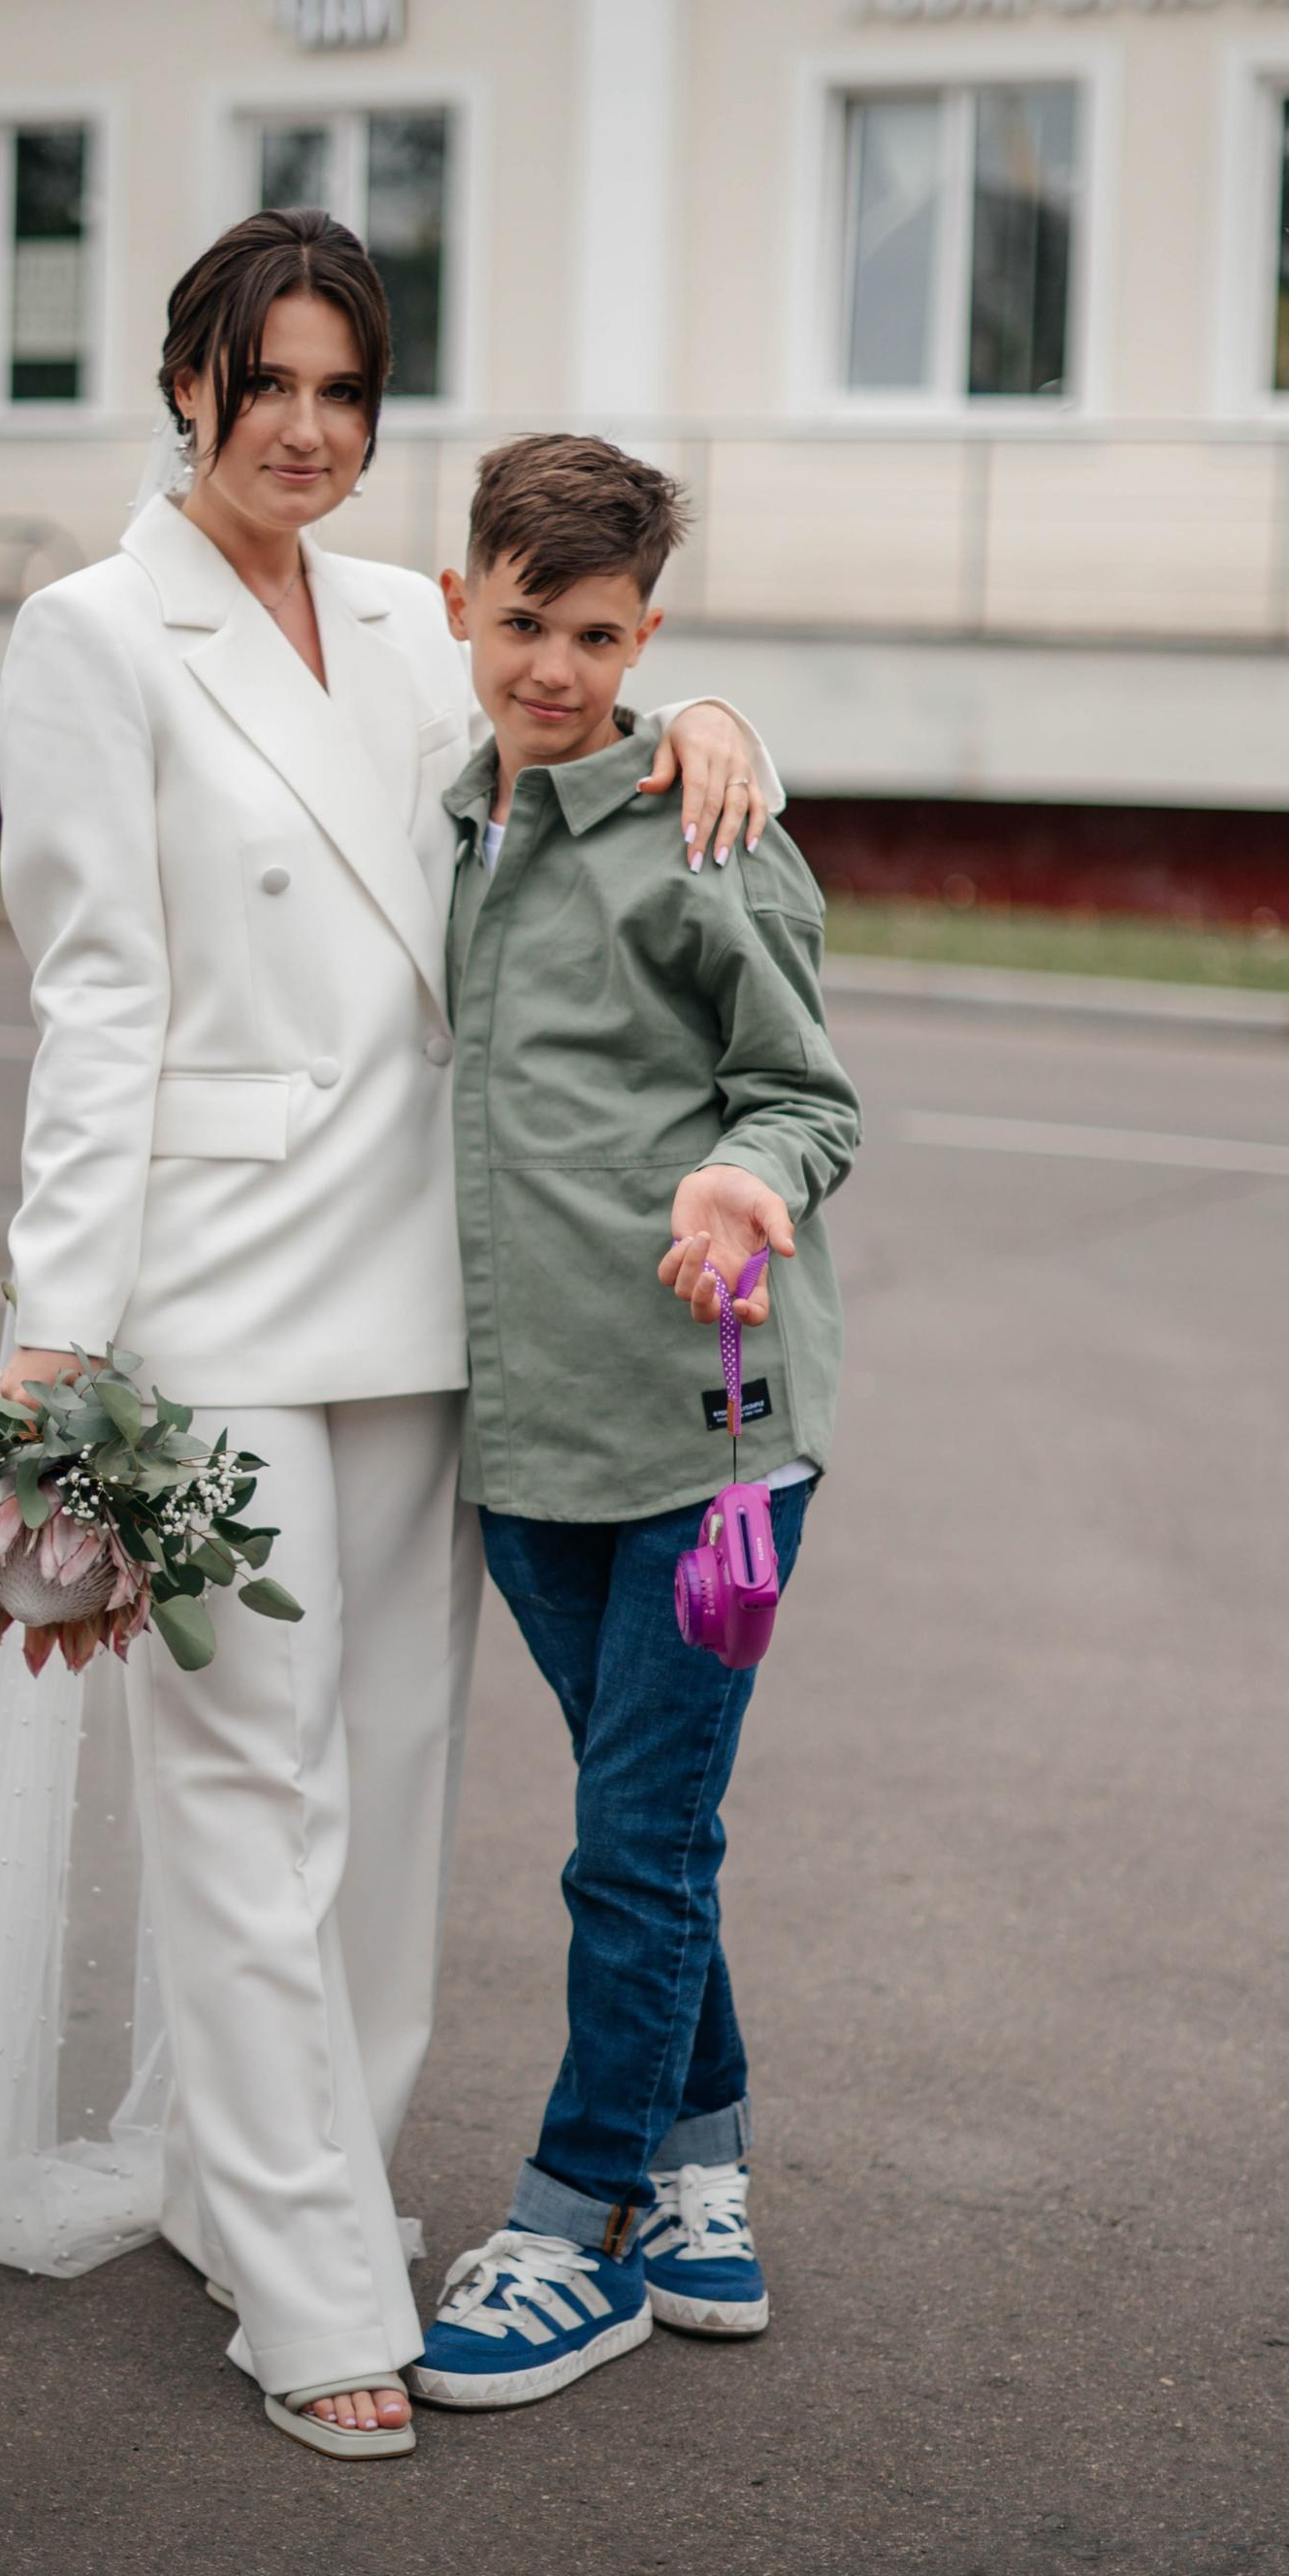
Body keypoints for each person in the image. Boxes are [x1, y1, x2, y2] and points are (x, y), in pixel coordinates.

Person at [0, 213, 783, 2459]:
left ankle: (267, 2177)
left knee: (389, 1797)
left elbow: (556, 727)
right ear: (183, 382)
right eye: (264, 382)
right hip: (205, 1303)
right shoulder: (90, 637)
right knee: (243, 1787)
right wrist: (49, 1345)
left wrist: (709, 719)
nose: (306, 428)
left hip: (428, 1289)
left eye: (346, 391)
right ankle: (301, 2283)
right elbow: (97, 1005)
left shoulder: (409, 613)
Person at [406, 434, 860, 2411]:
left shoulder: (702, 825)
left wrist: (746, 1179)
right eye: (523, 623)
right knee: (644, 1832)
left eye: (600, 636)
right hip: (527, 1430)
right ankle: (699, 2163)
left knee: (628, 1848)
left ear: (646, 634)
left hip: (710, 1435)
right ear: (461, 609)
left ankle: (566, 2218)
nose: (557, 668)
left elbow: (808, 1095)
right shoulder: (446, 820)